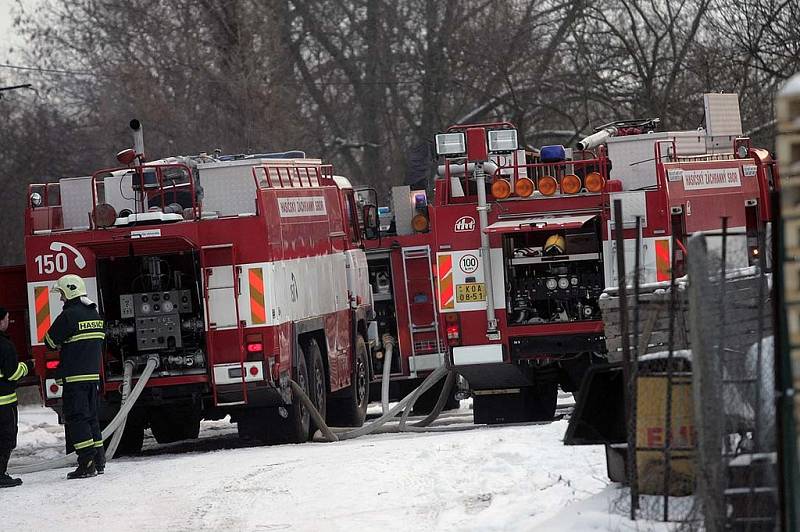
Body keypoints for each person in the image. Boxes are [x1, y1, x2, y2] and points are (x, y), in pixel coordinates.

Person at [44, 275, 106, 479]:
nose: (61, 299)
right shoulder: (94, 314)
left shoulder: (69, 315)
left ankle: (86, 463)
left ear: (69, 292)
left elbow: (50, 341)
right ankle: (99, 461)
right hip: (92, 378)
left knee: (77, 420)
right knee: (92, 419)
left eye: (61, 294)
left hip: (74, 378)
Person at [0, 307, 33, 488]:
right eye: (7, 318)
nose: (8, 321)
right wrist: (27, 366)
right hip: (4, 402)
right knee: (6, 438)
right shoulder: (5, 345)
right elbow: (12, 373)